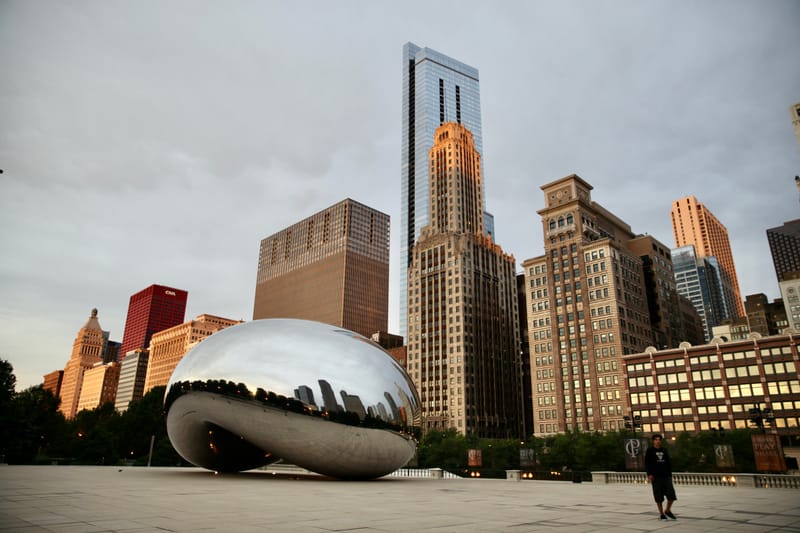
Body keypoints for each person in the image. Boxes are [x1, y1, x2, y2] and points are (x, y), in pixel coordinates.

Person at [645, 434, 677, 520]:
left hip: (666, 476)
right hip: (656, 477)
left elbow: (668, 463)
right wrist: (649, 474)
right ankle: (661, 513)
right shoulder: (650, 450)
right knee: (658, 496)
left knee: (671, 495)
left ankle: (667, 510)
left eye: (659, 439)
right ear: (653, 441)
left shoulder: (664, 450)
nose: (658, 441)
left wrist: (670, 475)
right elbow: (647, 463)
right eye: (656, 439)